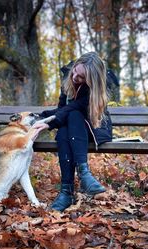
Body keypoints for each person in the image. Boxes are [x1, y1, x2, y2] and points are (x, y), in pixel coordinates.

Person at [33, 52, 113, 212]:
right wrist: (41, 117)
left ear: (91, 80)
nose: (75, 77)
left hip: (93, 129)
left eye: (81, 77)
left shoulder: (93, 90)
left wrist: (50, 123)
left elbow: (73, 108)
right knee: (63, 128)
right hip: (71, 132)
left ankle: (79, 178)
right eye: (75, 71)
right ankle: (68, 190)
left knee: (73, 115)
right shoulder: (68, 81)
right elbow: (63, 109)